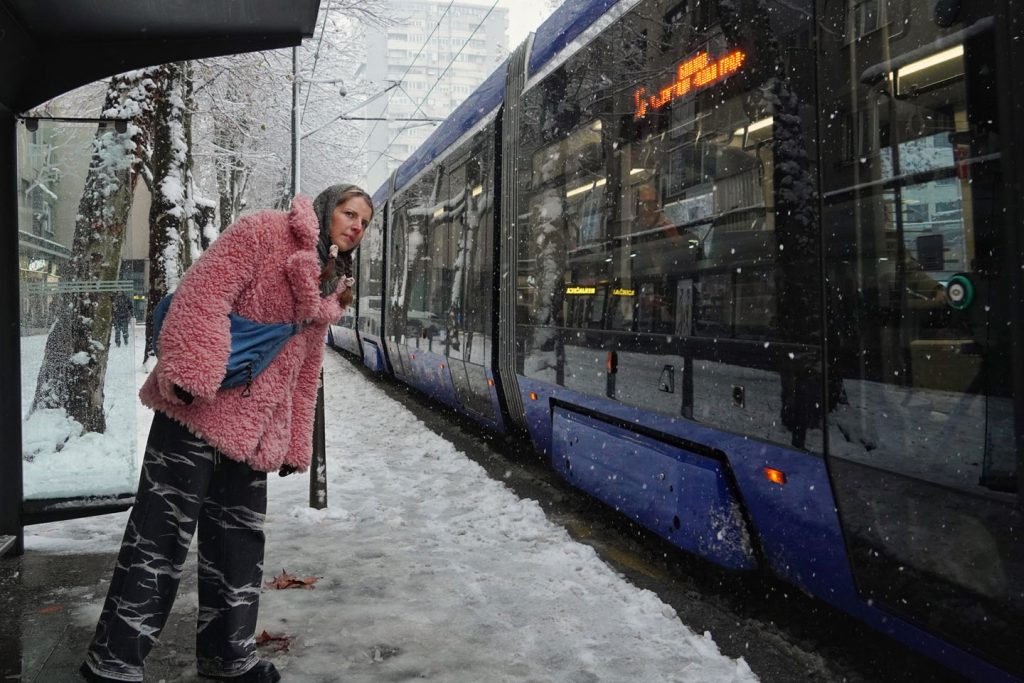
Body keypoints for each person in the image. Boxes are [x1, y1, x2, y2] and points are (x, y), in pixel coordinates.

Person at [80, 184, 373, 683]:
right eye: (349, 214)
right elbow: (203, 292)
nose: (356, 227)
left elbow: (303, 372)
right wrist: (193, 374)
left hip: (252, 433)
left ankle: (228, 658)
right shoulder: (264, 231)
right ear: (327, 209)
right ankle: (113, 663)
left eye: (364, 222)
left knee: (238, 548)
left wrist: (294, 442)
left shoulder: (329, 283)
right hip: (193, 412)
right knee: (159, 541)